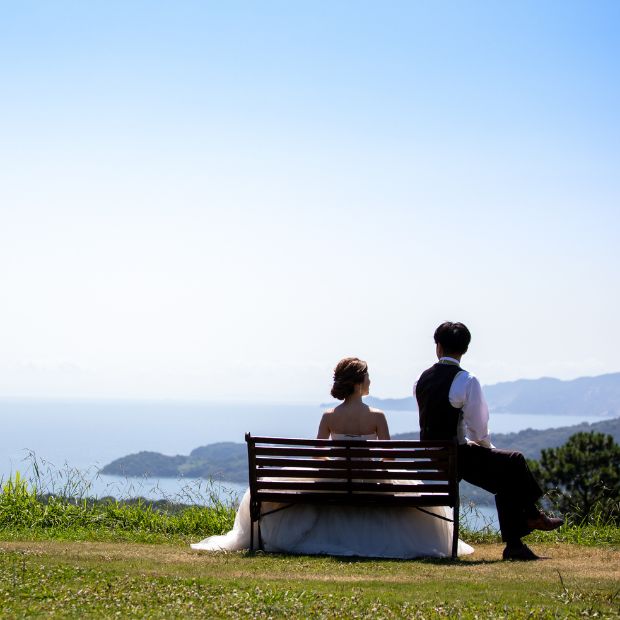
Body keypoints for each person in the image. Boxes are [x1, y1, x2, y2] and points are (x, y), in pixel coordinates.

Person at [191, 357, 473, 558]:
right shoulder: (377, 417)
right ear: (359, 382)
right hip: (371, 484)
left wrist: (338, 467)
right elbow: (388, 460)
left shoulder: (329, 416)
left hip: (334, 482)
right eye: (368, 376)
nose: (370, 380)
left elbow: (318, 456)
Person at [415, 321, 563, 561]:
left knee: (506, 476)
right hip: (456, 457)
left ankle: (520, 538)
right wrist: (485, 447)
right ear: (465, 349)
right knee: (513, 461)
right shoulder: (466, 380)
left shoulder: (421, 380)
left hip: (432, 457)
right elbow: (479, 428)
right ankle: (530, 520)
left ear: (438, 347)